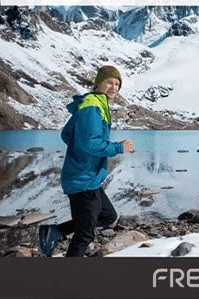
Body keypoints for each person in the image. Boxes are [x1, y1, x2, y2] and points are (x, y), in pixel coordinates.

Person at [39, 65, 134, 257]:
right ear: (98, 83)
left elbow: (67, 134)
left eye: (117, 84)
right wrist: (118, 148)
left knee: (108, 217)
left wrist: (79, 150)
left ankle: (56, 231)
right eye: (109, 82)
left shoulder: (94, 103)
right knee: (85, 235)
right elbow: (91, 143)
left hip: (89, 178)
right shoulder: (92, 106)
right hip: (82, 180)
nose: (114, 87)